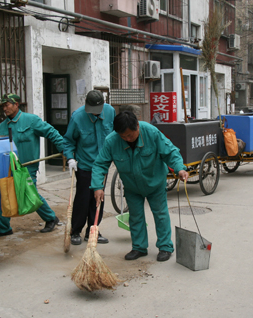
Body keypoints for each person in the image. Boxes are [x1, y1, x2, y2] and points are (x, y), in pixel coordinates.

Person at [91, 107, 189, 262]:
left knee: (160, 214)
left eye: (130, 135)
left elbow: (170, 152)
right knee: (136, 217)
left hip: (155, 183)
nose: (127, 138)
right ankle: (139, 247)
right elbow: (100, 164)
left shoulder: (151, 133)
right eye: (123, 136)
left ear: (137, 126)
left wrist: (180, 168)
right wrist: (97, 186)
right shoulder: (112, 141)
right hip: (132, 186)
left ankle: (165, 247)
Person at [0, 93, 64, 236]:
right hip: (8, 167)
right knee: (4, 193)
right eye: (3, 105)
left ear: (16, 104)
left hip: (28, 166)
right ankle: (3, 228)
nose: (4, 108)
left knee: (30, 193)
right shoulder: (2, 127)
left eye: (7, 104)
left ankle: (51, 218)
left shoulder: (31, 121)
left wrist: (64, 149)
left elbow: (51, 132)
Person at [63, 90, 115, 246]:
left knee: (98, 199)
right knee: (83, 199)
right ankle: (75, 231)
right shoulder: (78, 117)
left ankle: (93, 230)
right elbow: (68, 140)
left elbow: (114, 135)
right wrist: (70, 157)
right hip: (85, 164)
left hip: (103, 165)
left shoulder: (110, 112)